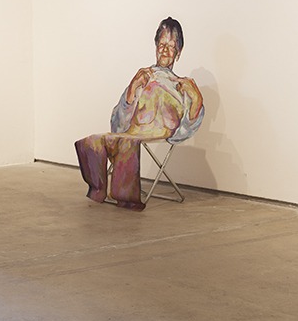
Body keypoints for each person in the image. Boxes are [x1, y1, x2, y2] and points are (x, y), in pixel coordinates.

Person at [74, 17, 204, 211]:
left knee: (127, 143)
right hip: (132, 132)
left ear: (178, 52)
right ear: (155, 46)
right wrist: (132, 88)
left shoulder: (182, 86)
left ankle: (124, 196)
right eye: (162, 44)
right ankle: (98, 189)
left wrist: (197, 101)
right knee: (92, 141)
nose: (165, 50)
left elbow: (182, 133)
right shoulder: (143, 77)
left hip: (154, 133)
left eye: (171, 46)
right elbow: (117, 124)